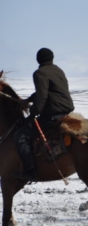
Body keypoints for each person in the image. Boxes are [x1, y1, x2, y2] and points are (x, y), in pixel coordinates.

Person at [14, 48, 75, 181]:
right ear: (52, 58)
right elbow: (48, 91)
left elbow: (42, 96)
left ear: (38, 59)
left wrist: (33, 113)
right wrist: (28, 100)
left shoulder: (40, 73)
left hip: (52, 116)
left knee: (21, 136)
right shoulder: (58, 70)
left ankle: (30, 171)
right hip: (66, 113)